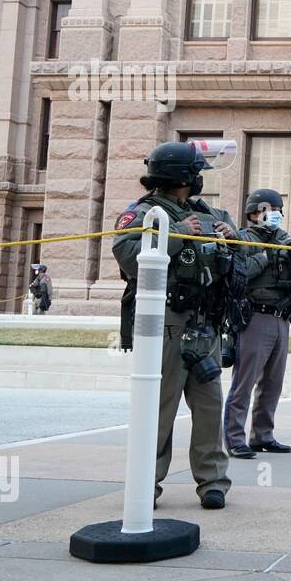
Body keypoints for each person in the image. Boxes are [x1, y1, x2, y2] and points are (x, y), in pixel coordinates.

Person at [112, 139, 257, 511]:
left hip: (204, 323)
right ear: (184, 177)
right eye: (195, 174)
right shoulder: (143, 213)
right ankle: (146, 483)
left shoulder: (207, 213)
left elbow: (247, 254)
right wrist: (178, 234)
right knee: (160, 405)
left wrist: (234, 238)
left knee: (209, 406)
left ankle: (213, 481)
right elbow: (129, 257)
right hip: (166, 322)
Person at [223, 188, 291, 459]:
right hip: (254, 316)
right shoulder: (242, 239)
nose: (275, 215)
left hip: (281, 318)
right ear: (254, 213)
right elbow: (239, 274)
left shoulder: (285, 239)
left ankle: (262, 435)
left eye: (278, 210)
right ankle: (235, 438)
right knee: (244, 382)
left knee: (273, 383)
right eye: (269, 210)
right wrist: (267, 257)